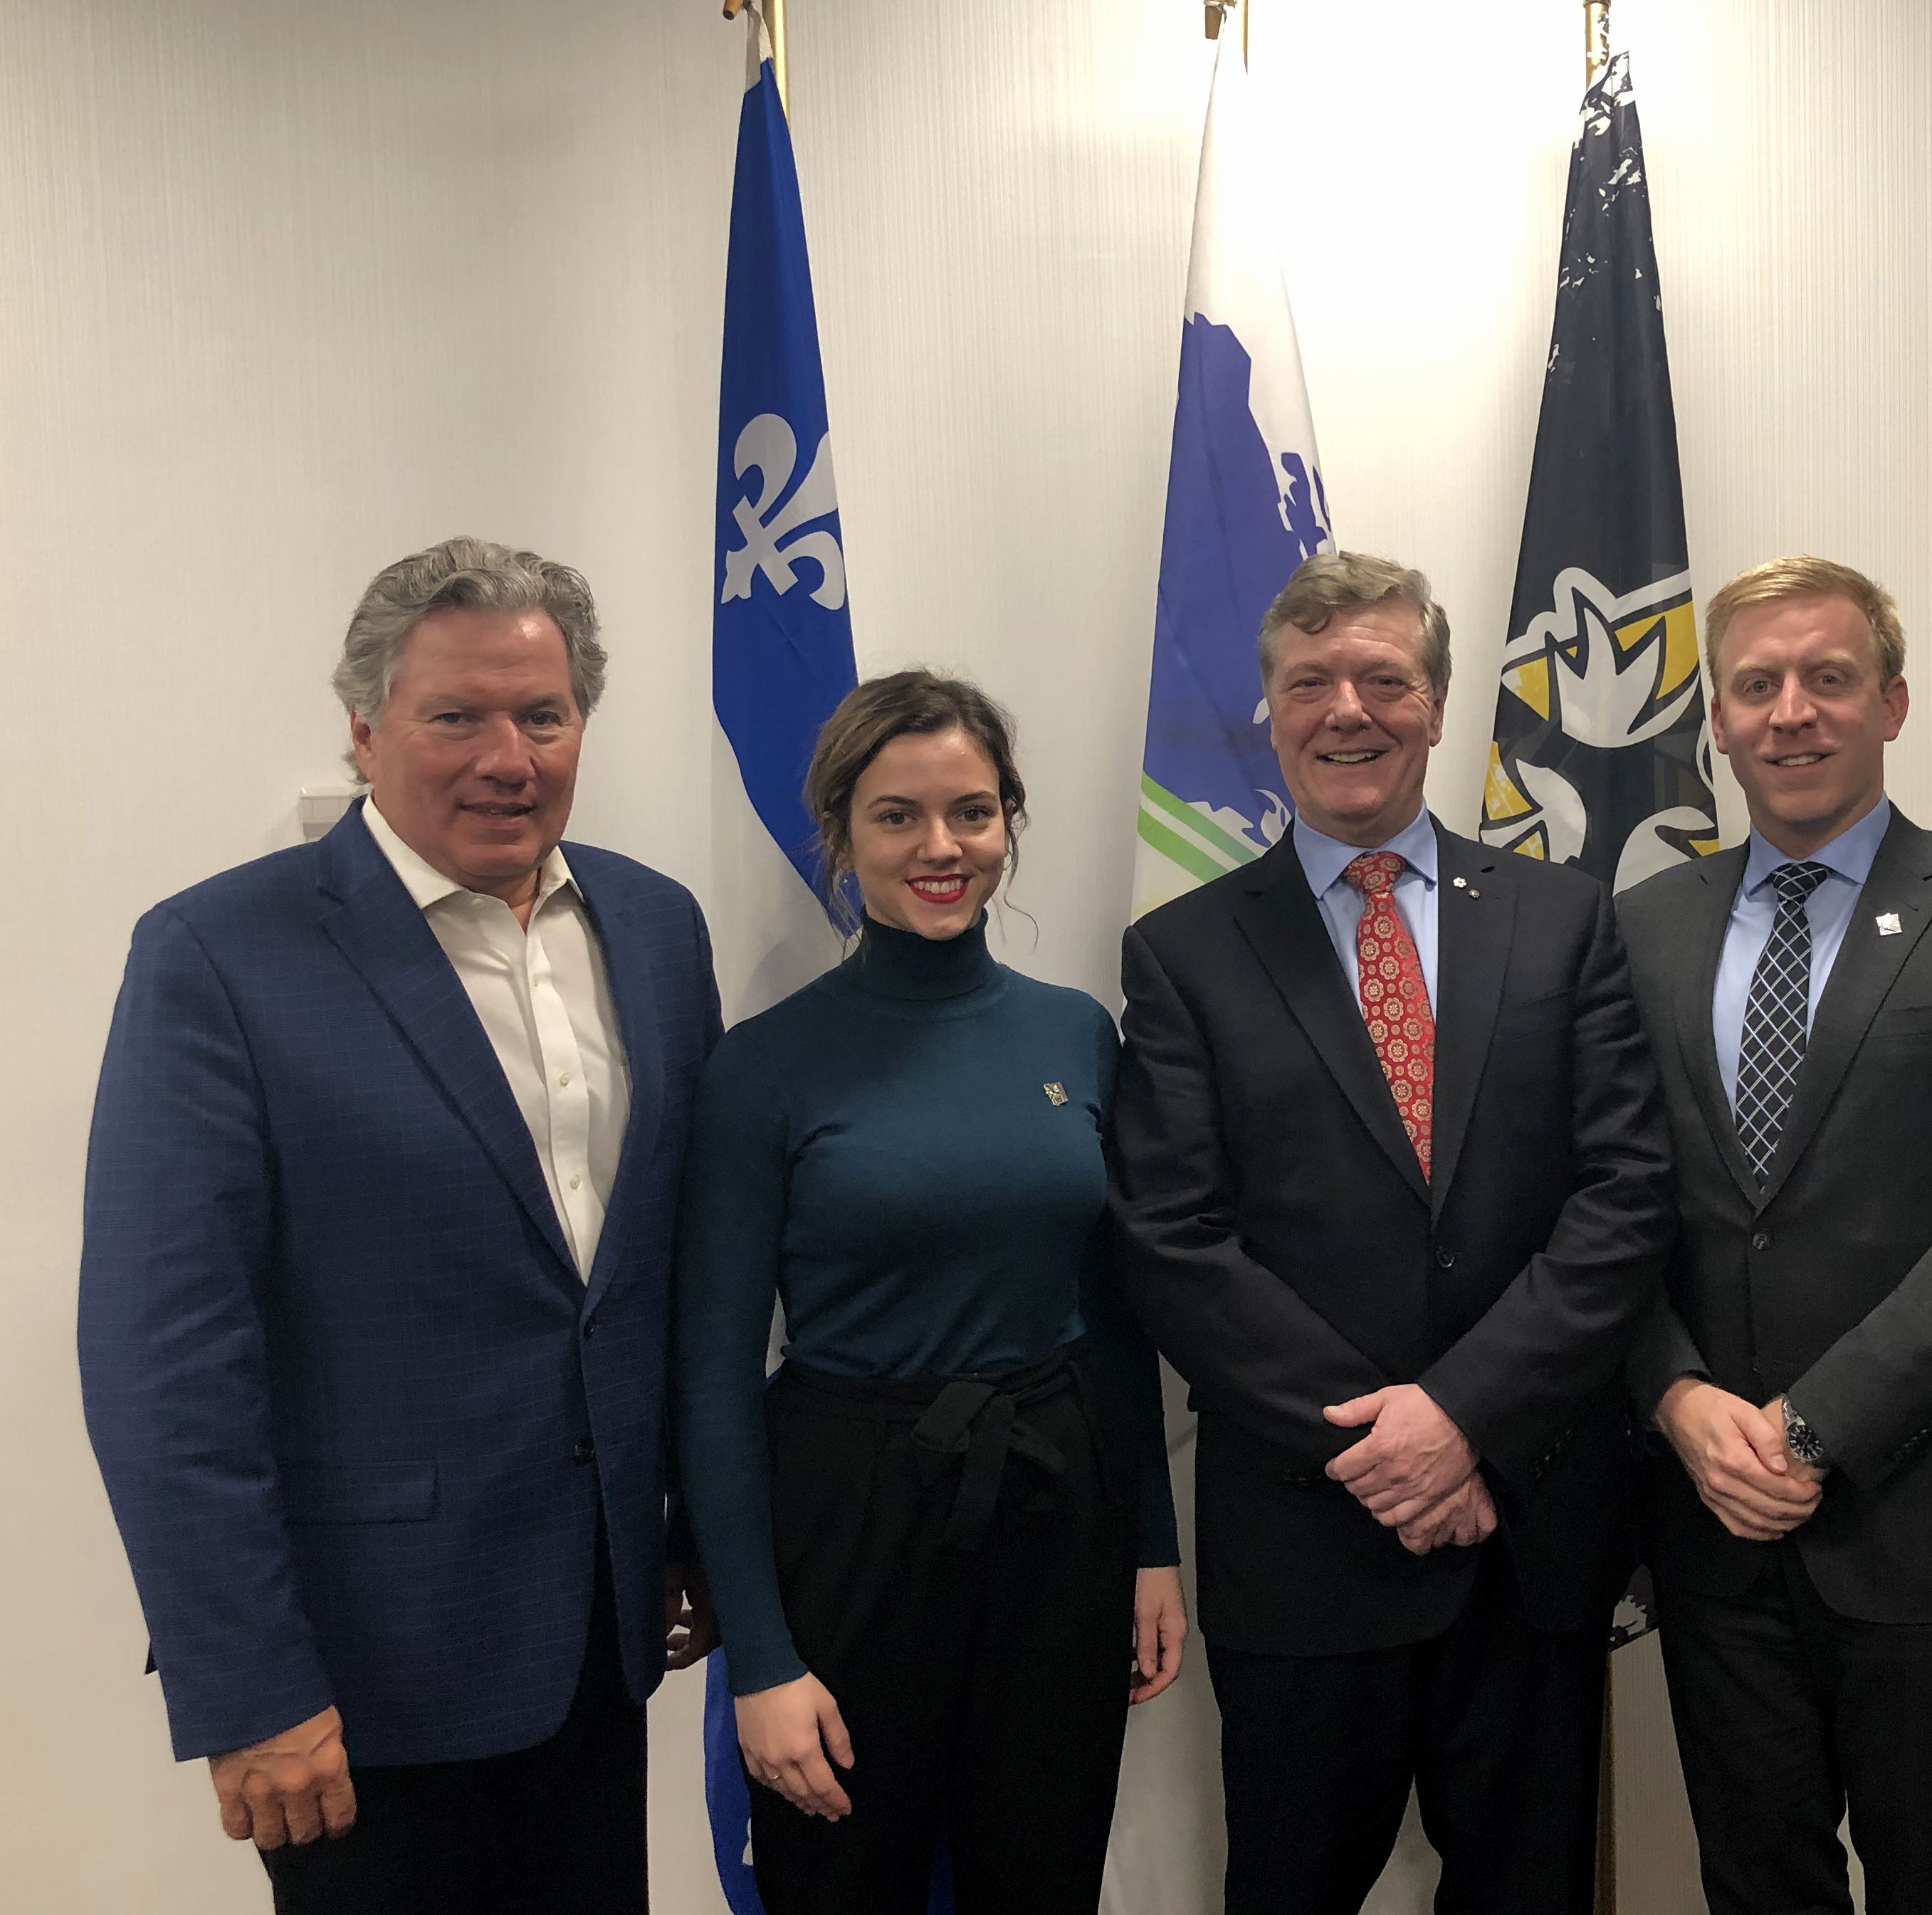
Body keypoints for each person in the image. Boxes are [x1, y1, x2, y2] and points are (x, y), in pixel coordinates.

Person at [78, 536, 724, 1914]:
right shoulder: (218, 956)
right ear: (365, 729)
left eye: (542, 716)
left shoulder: (657, 928)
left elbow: (653, 1279)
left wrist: (691, 1532)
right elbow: (164, 1357)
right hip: (360, 1686)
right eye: (456, 717)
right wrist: (246, 1682)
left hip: (602, 1646)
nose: (509, 755)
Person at [1110, 550, 1674, 1915]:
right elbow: (1176, 1240)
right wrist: (1390, 1447)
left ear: (1433, 707)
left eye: (1383, 678)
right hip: (1309, 1543)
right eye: (1310, 681)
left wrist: (1463, 1415)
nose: (1345, 708)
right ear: (1269, 711)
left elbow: (1624, 1191)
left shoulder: (1563, 915)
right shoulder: (1183, 951)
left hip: (1525, 1530)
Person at [1614, 555, 1932, 1915]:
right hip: (1712, 1510)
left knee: (1929, 1884)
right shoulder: (1639, 929)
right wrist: (1672, 1395)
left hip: (1927, 1512)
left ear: (1891, 702)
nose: (1791, 712)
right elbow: (1602, 1207)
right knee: (1756, 1879)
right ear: (1713, 721)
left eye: (1827, 678)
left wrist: (1814, 1422)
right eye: (1755, 685)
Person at [673, 669, 1183, 1915]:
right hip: (849, 1518)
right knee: (844, 1879)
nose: (939, 846)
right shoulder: (763, 1067)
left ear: (1009, 819)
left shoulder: (1077, 1035)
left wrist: (1152, 1550)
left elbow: (1115, 1315)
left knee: (1043, 1872)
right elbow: (712, 1376)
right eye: (897, 815)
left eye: (970, 810)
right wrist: (762, 1656)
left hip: (1060, 1503)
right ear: (840, 835)